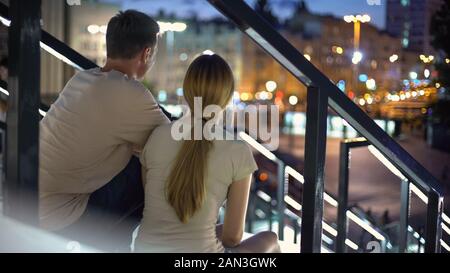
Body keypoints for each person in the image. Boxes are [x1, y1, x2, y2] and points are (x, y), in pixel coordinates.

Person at [39, 10, 169, 252]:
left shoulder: (81, 79)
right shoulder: (131, 94)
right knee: (154, 169)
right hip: (64, 215)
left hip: (30, 200)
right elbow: (173, 144)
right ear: (147, 53)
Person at [135, 54, 281, 253]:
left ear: (187, 92)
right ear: (227, 98)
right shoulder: (237, 151)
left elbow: (152, 201)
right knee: (270, 238)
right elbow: (231, 237)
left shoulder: (157, 137)